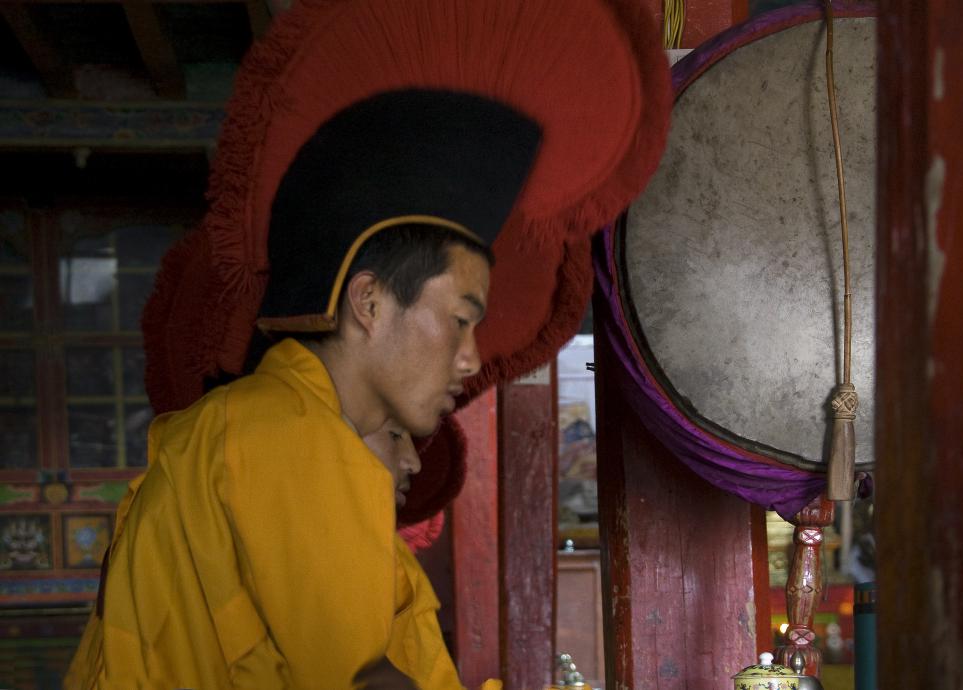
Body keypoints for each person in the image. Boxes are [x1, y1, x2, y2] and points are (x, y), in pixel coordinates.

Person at [65, 0, 671, 687]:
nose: (471, 358)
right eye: (462, 317)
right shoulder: (285, 434)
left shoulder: (291, 434)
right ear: (370, 302)